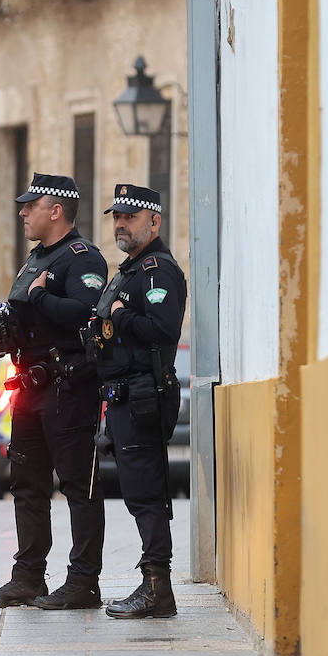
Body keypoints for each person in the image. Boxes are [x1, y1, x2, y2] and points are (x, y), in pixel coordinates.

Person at [0, 173, 108, 611]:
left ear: (57, 211)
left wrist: (42, 298)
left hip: (67, 388)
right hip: (28, 388)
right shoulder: (34, 260)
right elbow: (24, 310)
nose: (22, 213)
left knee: (78, 487)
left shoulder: (82, 258)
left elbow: (86, 311)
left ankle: (84, 581)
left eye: (31, 206)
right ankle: (28, 578)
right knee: (27, 485)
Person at [88, 184, 187, 619]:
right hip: (123, 395)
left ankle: (156, 588)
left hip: (145, 393)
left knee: (147, 493)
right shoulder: (128, 272)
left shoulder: (157, 271)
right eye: (116, 217)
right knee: (135, 492)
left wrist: (118, 315)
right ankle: (152, 584)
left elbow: (163, 330)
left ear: (154, 221)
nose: (121, 224)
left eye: (130, 216)